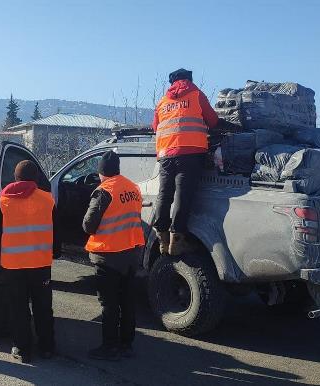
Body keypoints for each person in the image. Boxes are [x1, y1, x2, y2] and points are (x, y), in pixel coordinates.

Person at [0, 160, 58, 363]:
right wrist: (56, 251)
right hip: (40, 263)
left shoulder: (5, 200)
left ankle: (23, 348)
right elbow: (56, 228)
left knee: (18, 308)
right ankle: (47, 347)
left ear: (15, 178)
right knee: (43, 306)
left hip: (13, 265)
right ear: (36, 178)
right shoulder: (47, 199)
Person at [82, 151, 145, 361]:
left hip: (109, 256)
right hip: (131, 252)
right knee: (127, 301)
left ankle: (109, 347)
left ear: (101, 172)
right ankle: (126, 344)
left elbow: (88, 225)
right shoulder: (132, 188)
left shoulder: (104, 191)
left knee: (109, 304)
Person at [151, 68, 219, 256]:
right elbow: (213, 121)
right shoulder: (196, 94)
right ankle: (177, 240)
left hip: (165, 154)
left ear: (172, 82)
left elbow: (155, 127)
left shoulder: (162, 101)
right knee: (183, 194)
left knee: (164, 194)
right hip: (190, 153)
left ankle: (162, 237)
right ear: (189, 79)